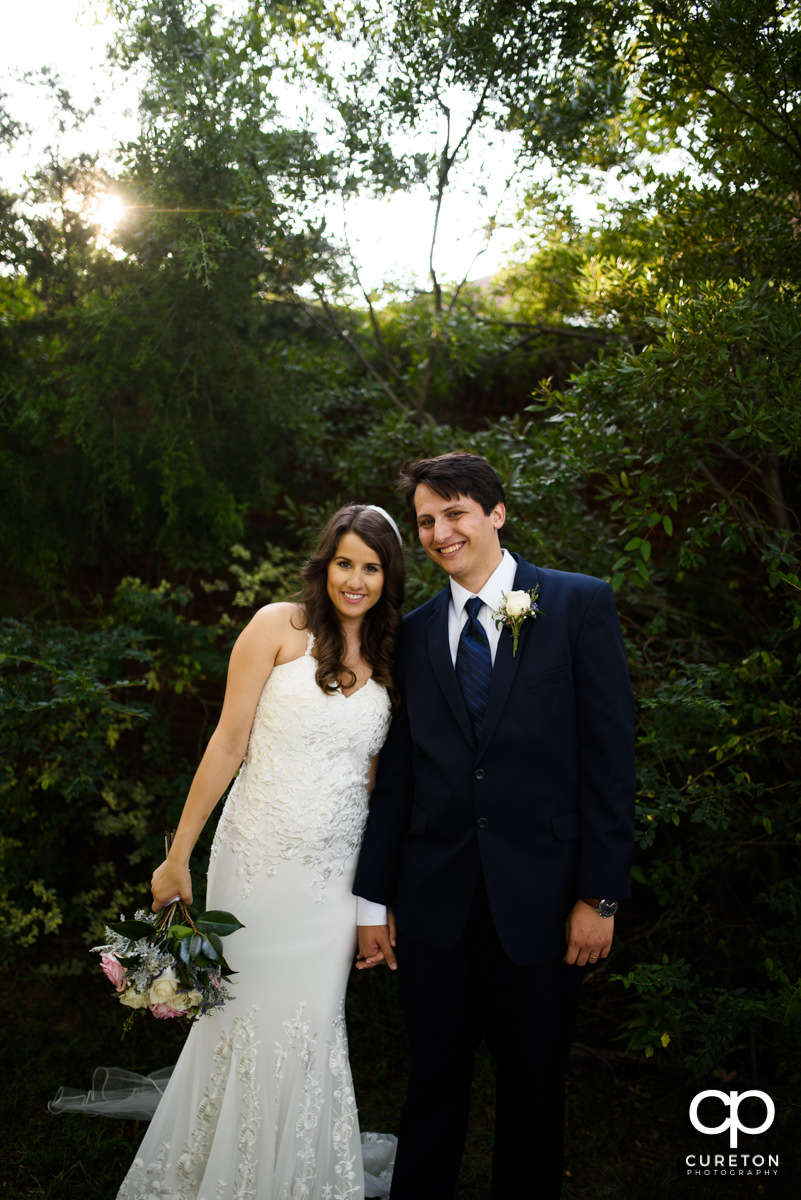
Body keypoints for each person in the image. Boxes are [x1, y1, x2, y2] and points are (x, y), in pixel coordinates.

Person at [353, 453, 636, 1199]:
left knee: (534, 1093)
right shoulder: (409, 634)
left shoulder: (577, 604)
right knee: (431, 1088)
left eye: (454, 513)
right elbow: (400, 776)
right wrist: (371, 903)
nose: (440, 532)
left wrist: (599, 896)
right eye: (425, 520)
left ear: (495, 513)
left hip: (543, 904)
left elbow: (608, 761)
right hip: (434, 905)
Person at [115, 503, 405, 1200]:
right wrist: (177, 854)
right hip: (255, 865)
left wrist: (375, 900)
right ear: (323, 563)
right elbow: (226, 742)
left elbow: (379, 788)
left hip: (332, 879)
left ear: (388, 577)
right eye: (344, 563)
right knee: (240, 1018)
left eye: (370, 567)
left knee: (309, 1026)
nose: (355, 580)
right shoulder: (276, 627)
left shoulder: (397, 658)